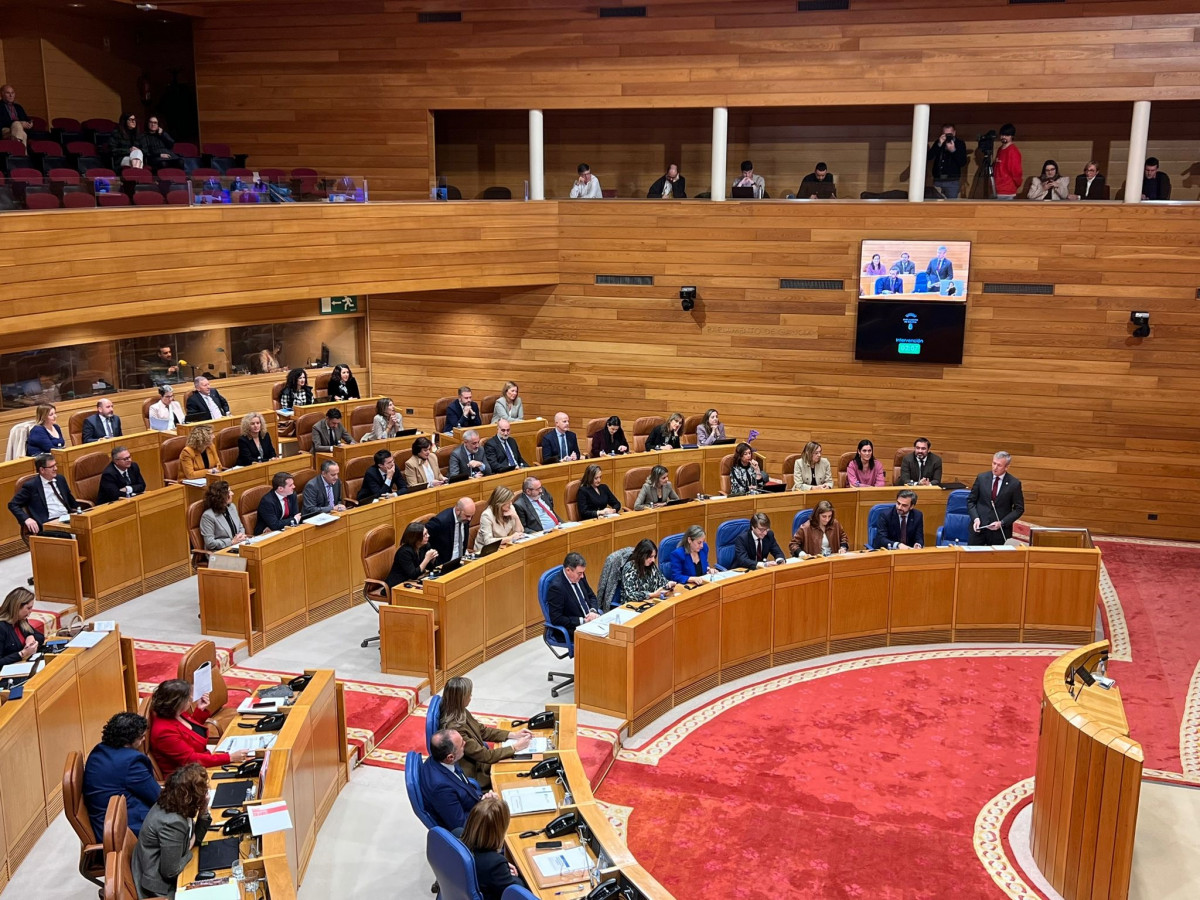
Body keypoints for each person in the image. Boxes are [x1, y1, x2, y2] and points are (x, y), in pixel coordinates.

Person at [131, 763, 211, 899]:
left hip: (158, 866)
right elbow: (170, 871)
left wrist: (203, 811)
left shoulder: (174, 801)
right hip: (159, 887)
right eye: (203, 791)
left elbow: (194, 838)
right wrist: (189, 850)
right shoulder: (173, 823)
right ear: (191, 797)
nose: (207, 793)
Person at [439, 676, 531, 790]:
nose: (471, 697)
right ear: (461, 699)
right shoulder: (455, 731)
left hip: (481, 762)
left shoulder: (459, 710)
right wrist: (515, 747)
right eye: (469, 695)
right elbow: (486, 756)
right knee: (518, 773)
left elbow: (482, 730)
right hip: (477, 773)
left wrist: (512, 735)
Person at [147, 680, 249, 779]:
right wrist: (229, 757)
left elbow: (188, 732)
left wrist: (200, 709)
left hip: (200, 764)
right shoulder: (164, 732)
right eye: (188, 699)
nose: (191, 700)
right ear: (176, 703)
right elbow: (191, 759)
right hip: (187, 778)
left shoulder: (175, 713)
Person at [83, 712, 160, 840]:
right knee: (179, 825)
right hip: (124, 829)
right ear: (129, 740)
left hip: (104, 823)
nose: (144, 740)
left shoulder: (98, 750)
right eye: (141, 737)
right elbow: (157, 796)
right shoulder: (131, 762)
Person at [460, 795, 526, 900]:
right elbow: (518, 892)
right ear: (499, 831)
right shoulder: (495, 864)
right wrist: (513, 875)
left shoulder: (456, 834)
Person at [420, 729, 484, 832]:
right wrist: (489, 810)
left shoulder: (441, 759)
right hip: (474, 825)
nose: (465, 743)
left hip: (475, 805)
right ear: (450, 757)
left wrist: (483, 799)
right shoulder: (441, 789)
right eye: (462, 744)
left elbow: (463, 784)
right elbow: (461, 826)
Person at [8, 454, 78, 536]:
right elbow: (13, 504)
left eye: (55, 465)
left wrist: (81, 512)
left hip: (67, 518)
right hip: (49, 523)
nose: (56, 468)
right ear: (42, 470)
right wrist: (26, 519)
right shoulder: (32, 486)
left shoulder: (60, 479)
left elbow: (70, 499)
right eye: (52, 467)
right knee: (73, 535)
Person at [967, 451, 1025, 546]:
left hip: (999, 532)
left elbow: (1019, 509)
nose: (995, 467)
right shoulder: (981, 478)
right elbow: (971, 501)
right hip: (979, 529)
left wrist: (1002, 522)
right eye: (994, 463)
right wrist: (975, 518)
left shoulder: (1014, 484)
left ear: (1006, 467)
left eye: (999, 465)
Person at [546, 552, 599, 635]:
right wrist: (583, 621)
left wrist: (593, 611)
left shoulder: (580, 576)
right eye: (579, 573)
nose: (582, 576)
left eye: (583, 572)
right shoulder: (557, 588)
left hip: (591, 621)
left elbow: (591, 596)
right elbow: (556, 618)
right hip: (574, 628)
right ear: (568, 570)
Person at [619, 538, 674, 603]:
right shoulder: (630, 568)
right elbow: (631, 595)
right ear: (642, 555)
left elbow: (661, 581)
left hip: (650, 601)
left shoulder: (651, 565)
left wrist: (668, 584)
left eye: (654, 556)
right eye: (650, 557)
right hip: (632, 606)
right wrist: (653, 595)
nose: (653, 560)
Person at [0, 587, 44, 666]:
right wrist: (22, 654)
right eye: (28, 608)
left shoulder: (21, 621)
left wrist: (31, 637)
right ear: (17, 607)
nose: (31, 611)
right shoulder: (2, 627)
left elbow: (40, 637)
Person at [387, 521, 439, 587]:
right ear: (415, 538)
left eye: (427, 533)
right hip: (398, 584)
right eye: (424, 535)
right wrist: (427, 559)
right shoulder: (404, 552)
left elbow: (429, 567)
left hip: (414, 581)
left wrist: (432, 559)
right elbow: (413, 574)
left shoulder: (425, 546)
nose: (428, 536)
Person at [198, 480, 247, 550]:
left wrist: (241, 536)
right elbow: (210, 543)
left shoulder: (232, 507)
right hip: (220, 552)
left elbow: (240, 527)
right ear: (221, 496)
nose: (232, 493)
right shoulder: (208, 516)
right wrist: (231, 542)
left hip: (237, 546)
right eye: (229, 492)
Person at [473, 486, 523, 553]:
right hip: (485, 550)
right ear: (500, 503)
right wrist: (511, 538)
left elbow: (520, 532)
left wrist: (516, 517)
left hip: (503, 547)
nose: (510, 504)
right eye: (508, 502)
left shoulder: (510, 508)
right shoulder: (487, 515)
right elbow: (488, 542)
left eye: (511, 501)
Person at [426, 498, 475, 565]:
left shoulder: (465, 519)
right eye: (467, 516)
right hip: (445, 564)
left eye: (471, 516)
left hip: (461, 561)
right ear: (458, 510)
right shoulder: (440, 521)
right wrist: (433, 559)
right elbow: (422, 538)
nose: (469, 519)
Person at [929, 123, 968, 199]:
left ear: (954, 133)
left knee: (951, 205)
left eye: (949, 134)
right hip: (938, 180)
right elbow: (929, 157)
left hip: (952, 181)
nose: (947, 137)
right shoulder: (939, 142)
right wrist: (939, 144)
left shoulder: (960, 144)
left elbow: (962, 162)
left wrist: (953, 150)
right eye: (945, 134)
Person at [993, 123, 1022, 200]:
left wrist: (1016, 184)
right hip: (998, 188)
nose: (1003, 137)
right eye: (1002, 135)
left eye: (1006, 135)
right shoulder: (1000, 149)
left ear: (1012, 136)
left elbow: (1016, 171)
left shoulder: (1013, 151)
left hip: (1007, 190)